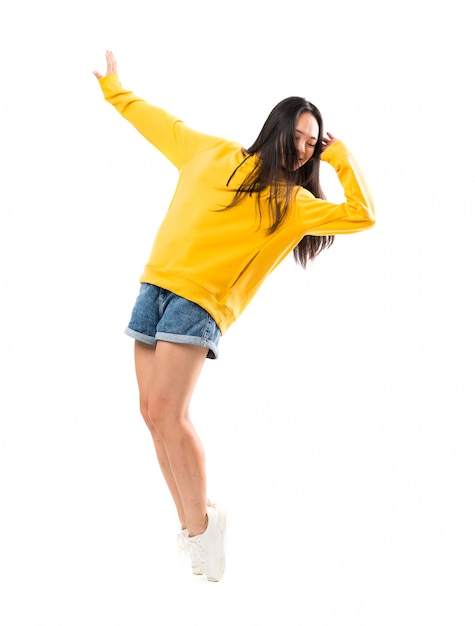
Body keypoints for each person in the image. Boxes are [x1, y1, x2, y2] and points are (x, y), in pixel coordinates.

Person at [93, 49, 375, 582]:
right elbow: (160, 124)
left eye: (312, 144)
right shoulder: (213, 153)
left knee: (170, 414)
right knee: (151, 415)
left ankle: (202, 532)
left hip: (199, 303)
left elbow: (363, 215)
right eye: (298, 136)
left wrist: (339, 158)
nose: (302, 149)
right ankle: (194, 528)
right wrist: (114, 89)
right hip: (153, 287)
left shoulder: (293, 203)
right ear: (276, 127)